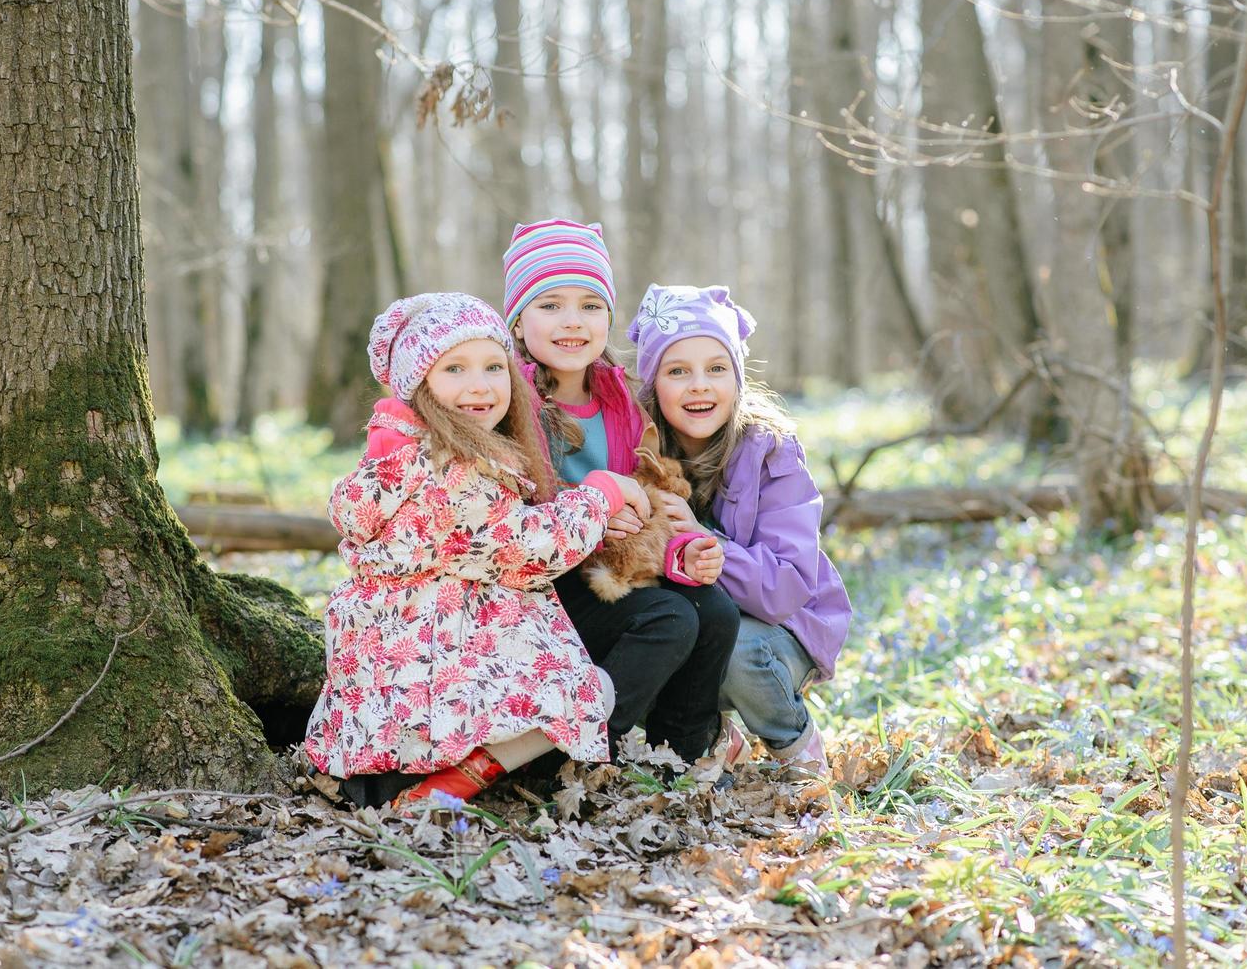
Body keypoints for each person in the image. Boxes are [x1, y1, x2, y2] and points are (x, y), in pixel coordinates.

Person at [303, 292, 650, 808]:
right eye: (455, 370)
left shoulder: (395, 460)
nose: (480, 386)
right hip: (433, 690)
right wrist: (604, 491)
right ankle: (458, 781)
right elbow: (533, 549)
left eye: (493, 366)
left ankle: (429, 780)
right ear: (419, 387)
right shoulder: (451, 468)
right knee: (590, 691)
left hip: (385, 704)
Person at [503, 220, 743, 767]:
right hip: (543, 584)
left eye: (590, 305)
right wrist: (589, 515)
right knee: (668, 619)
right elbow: (513, 507)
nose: (572, 322)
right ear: (518, 321)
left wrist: (682, 552)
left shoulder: (620, 396)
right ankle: (571, 755)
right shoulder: (510, 397)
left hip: (619, 566)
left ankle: (678, 752)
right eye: (550, 306)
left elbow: (652, 490)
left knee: (715, 611)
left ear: (609, 317)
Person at [629, 284, 852, 771]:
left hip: (781, 628)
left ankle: (797, 748)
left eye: (716, 368)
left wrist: (707, 545)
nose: (699, 385)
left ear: (737, 376)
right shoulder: (638, 448)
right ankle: (709, 734)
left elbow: (786, 589)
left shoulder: (770, 451)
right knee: (636, 644)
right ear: (652, 383)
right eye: (677, 371)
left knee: (742, 651)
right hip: (694, 625)